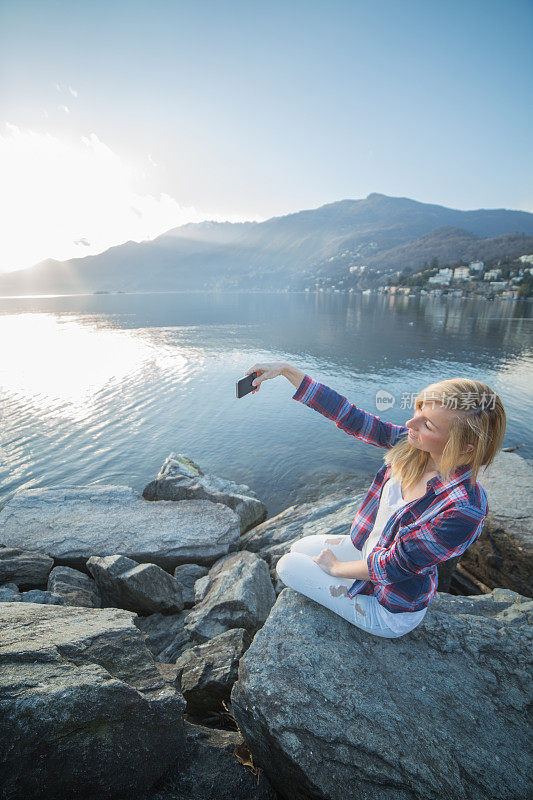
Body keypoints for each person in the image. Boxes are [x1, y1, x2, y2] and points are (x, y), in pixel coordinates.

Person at [243, 361, 507, 639]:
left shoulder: (464, 509)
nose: (410, 423)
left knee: (287, 567)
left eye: (427, 423)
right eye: (418, 408)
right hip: (368, 550)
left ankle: (354, 593)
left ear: (464, 447)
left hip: (389, 604)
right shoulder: (415, 448)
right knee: (298, 546)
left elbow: (394, 565)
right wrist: (286, 371)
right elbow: (353, 418)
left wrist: (337, 568)